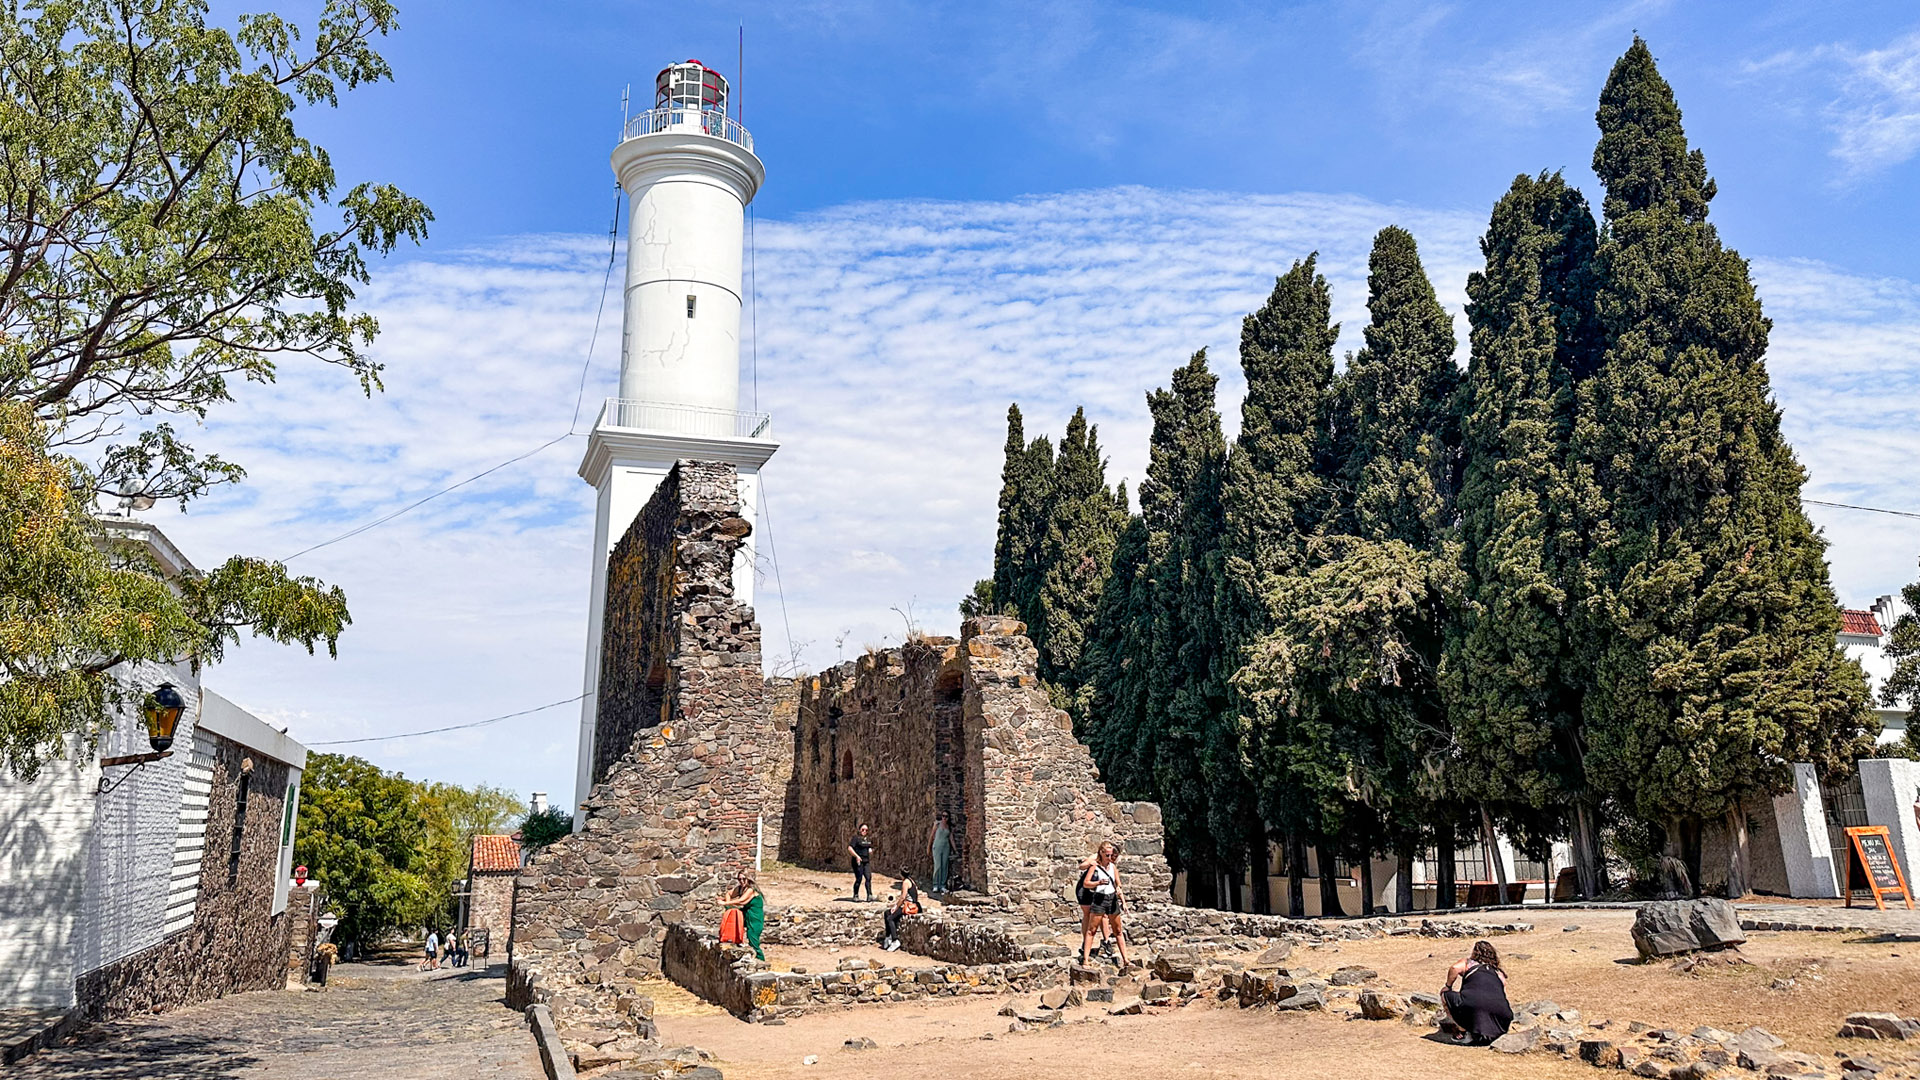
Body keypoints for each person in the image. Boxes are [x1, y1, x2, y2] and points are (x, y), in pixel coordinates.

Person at [1441, 940, 1514, 1045]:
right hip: (1503, 1013)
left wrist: (1448, 986)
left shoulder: (1469, 963)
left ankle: (1463, 1031)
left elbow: (1454, 968)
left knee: (1445, 995)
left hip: (1474, 1004)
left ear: (1475, 952)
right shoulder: (1498, 972)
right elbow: (1503, 985)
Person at [1079, 842, 1130, 971]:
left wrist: (1123, 901)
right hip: (1099, 898)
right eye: (1107, 854)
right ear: (1101, 853)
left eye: (1111, 854)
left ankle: (1126, 959)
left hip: (1112, 899)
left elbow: (1118, 884)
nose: (1110, 857)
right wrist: (1098, 882)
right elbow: (1086, 883)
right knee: (1092, 930)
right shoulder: (1095, 866)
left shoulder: (1113, 867)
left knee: (1118, 930)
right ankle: (1085, 959)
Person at [720, 870, 766, 960]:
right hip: (746, 914)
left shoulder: (751, 890)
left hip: (755, 917)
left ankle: (761, 961)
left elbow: (742, 901)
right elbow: (729, 894)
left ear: (748, 879)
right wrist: (728, 906)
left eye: (743, 879)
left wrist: (725, 903)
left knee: (753, 940)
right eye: (739, 879)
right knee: (733, 916)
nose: (741, 881)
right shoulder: (740, 888)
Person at [881, 874, 921, 952]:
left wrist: (896, 907)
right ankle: (888, 936)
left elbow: (903, 897)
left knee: (890, 918)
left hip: (909, 907)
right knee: (887, 913)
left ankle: (895, 940)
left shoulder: (906, 882)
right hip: (908, 905)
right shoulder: (911, 880)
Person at [848, 823, 875, 902]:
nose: (864, 831)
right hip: (858, 861)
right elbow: (850, 848)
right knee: (859, 879)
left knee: (868, 877)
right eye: (862, 829)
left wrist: (870, 850)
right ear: (859, 830)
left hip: (866, 861)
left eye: (866, 830)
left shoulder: (868, 839)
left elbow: (870, 847)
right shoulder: (856, 838)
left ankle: (869, 895)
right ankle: (855, 895)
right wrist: (856, 856)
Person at [928, 812, 954, 894]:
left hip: (945, 847)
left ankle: (942, 885)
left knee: (944, 866)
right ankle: (935, 884)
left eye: (946, 816)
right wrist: (928, 847)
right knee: (937, 865)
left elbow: (951, 839)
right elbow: (932, 836)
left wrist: (955, 849)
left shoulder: (948, 827)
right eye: (943, 816)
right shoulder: (937, 825)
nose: (944, 818)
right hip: (937, 847)